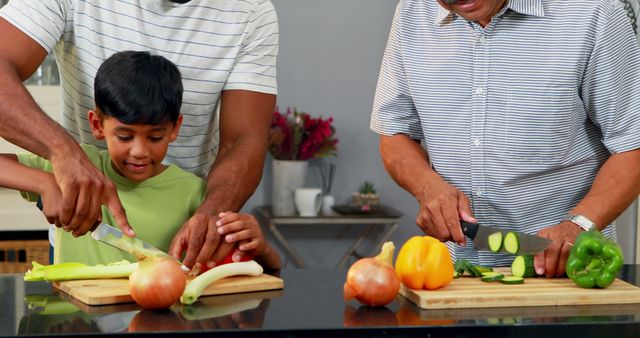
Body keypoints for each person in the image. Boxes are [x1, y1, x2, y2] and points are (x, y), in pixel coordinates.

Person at [0, 0, 278, 270]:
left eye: (155, 137)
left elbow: (244, 139)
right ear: (97, 125)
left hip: (186, 257)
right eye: (125, 136)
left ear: (174, 129)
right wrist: (59, 160)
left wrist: (213, 214)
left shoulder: (252, 10)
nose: (139, 151)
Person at [371, 0, 640, 277]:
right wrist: (427, 186)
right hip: (455, 275)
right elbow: (395, 132)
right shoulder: (413, 12)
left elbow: (633, 146)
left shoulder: (594, 14)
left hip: (571, 272)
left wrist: (578, 224)